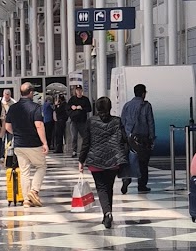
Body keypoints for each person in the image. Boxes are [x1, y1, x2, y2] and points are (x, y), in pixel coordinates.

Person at [85, 95, 130, 229]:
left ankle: (107, 213)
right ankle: (108, 214)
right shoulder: (117, 121)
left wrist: (81, 160)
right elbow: (124, 139)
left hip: (95, 160)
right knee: (108, 187)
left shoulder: (91, 121)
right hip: (113, 160)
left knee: (101, 187)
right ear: (110, 107)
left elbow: (86, 142)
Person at [5, 78, 48, 205]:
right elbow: (39, 125)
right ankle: (34, 191)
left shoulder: (13, 108)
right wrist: (44, 142)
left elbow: (7, 127)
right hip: (33, 143)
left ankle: (26, 200)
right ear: (31, 93)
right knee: (41, 166)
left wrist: (17, 133)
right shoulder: (35, 107)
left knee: (24, 171)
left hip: (19, 144)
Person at [120, 81, 156, 194]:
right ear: (143, 94)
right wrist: (152, 137)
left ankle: (126, 178)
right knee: (143, 163)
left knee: (129, 160)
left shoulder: (127, 105)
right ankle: (142, 185)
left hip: (129, 137)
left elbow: (122, 121)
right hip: (142, 138)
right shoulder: (146, 105)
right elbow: (150, 122)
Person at [67, 83, 92, 160]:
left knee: (84, 136)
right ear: (75, 91)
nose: (79, 91)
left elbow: (89, 109)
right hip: (74, 121)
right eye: (77, 90)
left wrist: (82, 108)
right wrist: (72, 107)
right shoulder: (72, 99)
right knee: (74, 136)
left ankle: (85, 151)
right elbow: (67, 108)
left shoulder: (85, 99)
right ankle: (74, 151)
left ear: (82, 91)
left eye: (80, 90)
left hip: (82, 121)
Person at [50, 87, 69, 154]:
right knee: (58, 135)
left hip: (60, 121)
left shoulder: (63, 105)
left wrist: (56, 106)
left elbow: (58, 111)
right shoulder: (63, 105)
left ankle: (59, 148)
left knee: (59, 135)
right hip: (59, 121)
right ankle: (58, 147)